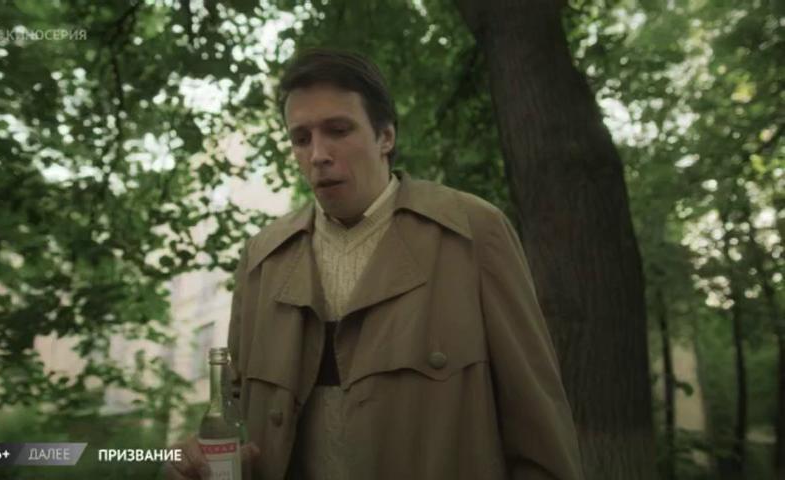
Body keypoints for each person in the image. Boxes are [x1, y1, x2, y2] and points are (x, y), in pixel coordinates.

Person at [165, 48, 584, 480]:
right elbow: (234, 416)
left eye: (338, 130)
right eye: (301, 138)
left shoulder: (471, 233)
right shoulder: (263, 258)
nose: (318, 154)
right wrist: (201, 460)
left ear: (386, 137)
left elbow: (539, 429)